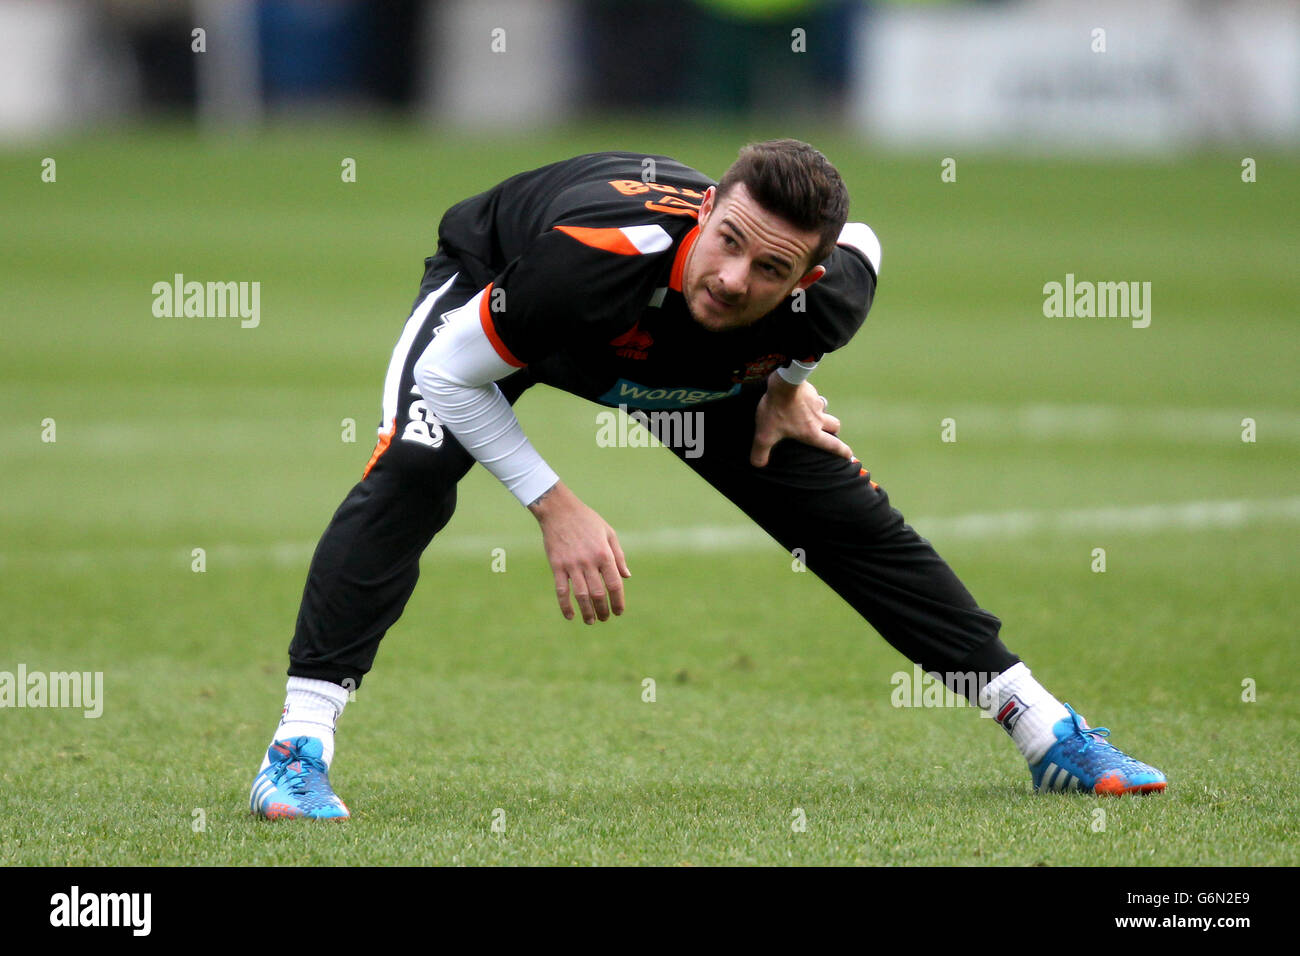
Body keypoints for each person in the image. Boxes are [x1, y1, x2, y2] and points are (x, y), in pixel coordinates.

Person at [249, 141, 1166, 821]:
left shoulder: (825, 296)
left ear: (807, 276)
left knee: (838, 507)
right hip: (503, 300)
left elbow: (869, 246)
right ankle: (296, 751)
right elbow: (452, 375)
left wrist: (786, 386)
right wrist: (553, 503)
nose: (732, 278)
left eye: (771, 268)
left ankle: (1041, 726)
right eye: (728, 240)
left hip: (673, 356)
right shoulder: (589, 262)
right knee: (414, 465)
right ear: (707, 210)